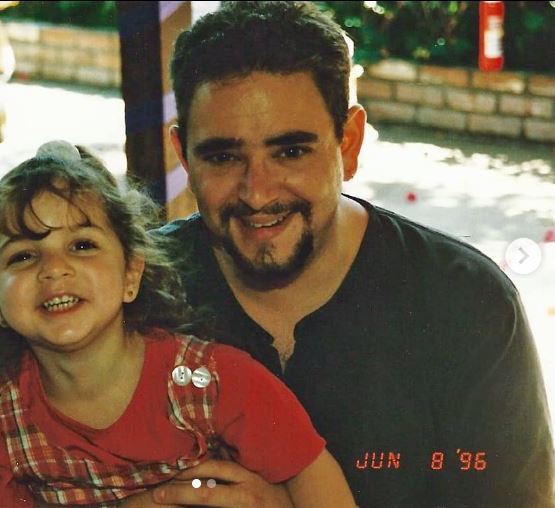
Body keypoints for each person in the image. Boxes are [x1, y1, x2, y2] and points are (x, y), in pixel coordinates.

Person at [153, 2, 555, 507]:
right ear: (183, 155)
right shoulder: (136, 289)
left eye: (291, 152)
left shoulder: (467, 302)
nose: (256, 193)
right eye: (224, 157)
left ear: (349, 142)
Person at [0, 141, 355, 507]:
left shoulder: (215, 383)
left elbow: (317, 483)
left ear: (131, 274)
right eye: (22, 255)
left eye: (81, 244)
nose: (53, 269)